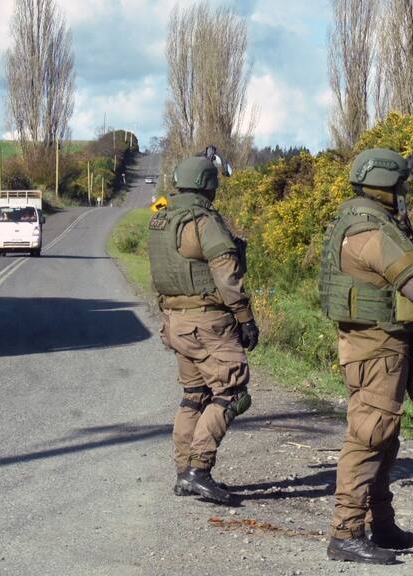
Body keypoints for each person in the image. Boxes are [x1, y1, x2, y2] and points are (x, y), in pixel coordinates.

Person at [319, 147, 413, 564]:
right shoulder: (374, 229)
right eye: (403, 185)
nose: (406, 191)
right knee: (369, 435)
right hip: (379, 346)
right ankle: (346, 531)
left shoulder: (353, 220)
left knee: (382, 435)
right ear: (388, 186)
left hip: (368, 345)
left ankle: (381, 523)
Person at [148, 149, 258, 505]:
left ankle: (184, 473)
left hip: (175, 321)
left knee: (194, 396)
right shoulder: (203, 221)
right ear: (209, 187)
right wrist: (245, 318)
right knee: (232, 391)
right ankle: (199, 469)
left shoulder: (162, 220)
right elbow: (226, 272)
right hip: (208, 323)